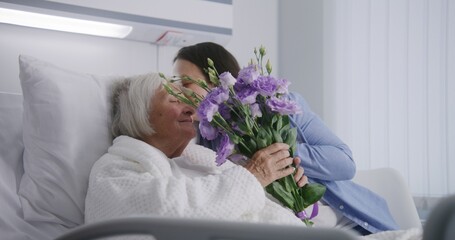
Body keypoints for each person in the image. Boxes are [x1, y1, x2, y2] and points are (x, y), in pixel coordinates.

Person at [172, 42, 400, 235]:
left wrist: (280, 151)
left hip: (353, 224)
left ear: (215, 82)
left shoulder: (280, 105)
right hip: (293, 229)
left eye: (185, 84)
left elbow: (345, 163)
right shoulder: (206, 138)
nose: (177, 93)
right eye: (174, 85)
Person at [84, 72, 309, 226]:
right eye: (174, 100)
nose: (190, 108)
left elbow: (248, 203)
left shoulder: (198, 159)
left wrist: (282, 188)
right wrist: (253, 176)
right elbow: (167, 209)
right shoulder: (113, 172)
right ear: (139, 113)